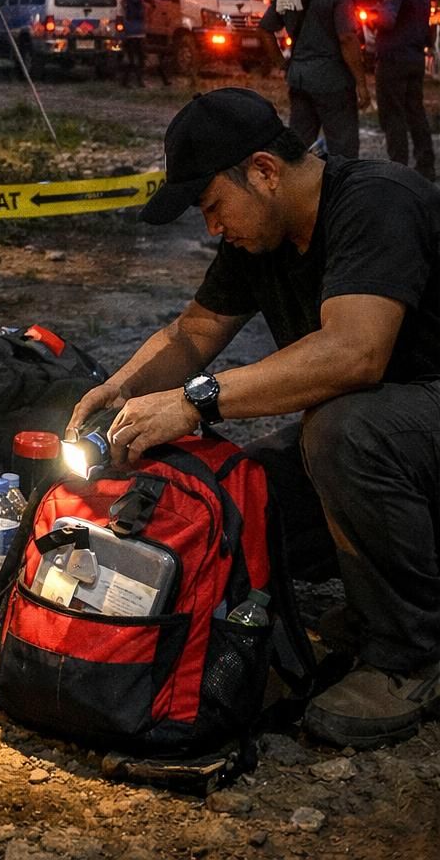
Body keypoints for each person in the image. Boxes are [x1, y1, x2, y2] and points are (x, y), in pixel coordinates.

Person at [68, 87, 440, 750]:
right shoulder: (260, 237)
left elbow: (355, 352)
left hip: (412, 417)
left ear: (263, 172)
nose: (213, 229)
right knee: (245, 487)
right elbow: (196, 331)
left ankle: (412, 653)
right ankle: (373, 581)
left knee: (342, 433)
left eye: (214, 206)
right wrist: (115, 394)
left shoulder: (377, 199)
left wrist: (193, 402)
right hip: (394, 433)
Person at [258, 0, 369, 157]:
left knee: (297, 148)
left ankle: (295, 189)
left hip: (298, 78)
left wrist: (282, 64)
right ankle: (339, 190)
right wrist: (361, 84)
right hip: (333, 82)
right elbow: (347, 39)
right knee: (342, 148)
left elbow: (264, 30)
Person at [373, 0, 434, 181]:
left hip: (393, 61)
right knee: (416, 113)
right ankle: (426, 166)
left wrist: (373, 15)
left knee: (393, 114)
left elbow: (387, 20)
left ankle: (398, 170)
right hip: (415, 60)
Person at [119, 0, 147, 88]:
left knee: (132, 59)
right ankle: (138, 81)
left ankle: (126, 81)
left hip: (131, 32)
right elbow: (142, 13)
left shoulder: (127, 0)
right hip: (137, 32)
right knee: (139, 58)